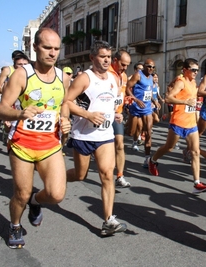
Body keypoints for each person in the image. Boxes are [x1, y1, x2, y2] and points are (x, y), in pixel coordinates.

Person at [0, 28, 71, 249]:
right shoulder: (22, 74)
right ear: (36, 47)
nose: (52, 53)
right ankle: (15, 224)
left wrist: (65, 120)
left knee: (56, 194)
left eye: (56, 48)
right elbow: (1, 110)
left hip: (50, 144)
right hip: (22, 143)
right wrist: (20, 113)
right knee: (21, 193)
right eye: (47, 47)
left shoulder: (63, 78)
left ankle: (36, 202)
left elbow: (63, 105)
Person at [65, 40, 127, 236]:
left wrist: (116, 114)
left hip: (105, 135)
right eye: (102, 56)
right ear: (93, 58)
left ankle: (108, 220)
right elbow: (66, 102)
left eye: (109, 56)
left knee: (107, 174)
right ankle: (57, 179)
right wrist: (88, 115)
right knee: (80, 175)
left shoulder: (114, 79)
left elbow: (111, 102)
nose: (107, 60)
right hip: (83, 135)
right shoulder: (85, 78)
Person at [148, 58, 206, 194]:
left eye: (197, 70)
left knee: (195, 152)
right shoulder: (181, 82)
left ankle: (197, 183)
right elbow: (168, 98)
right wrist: (185, 102)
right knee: (169, 148)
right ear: (185, 70)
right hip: (178, 122)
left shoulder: (193, 82)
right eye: (193, 70)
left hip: (191, 123)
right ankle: (152, 160)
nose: (195, 72)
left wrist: (195, 115)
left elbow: (193, 101)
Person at [108, 50, 131, 188]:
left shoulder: (124, 76)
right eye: (123, 64)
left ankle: (120, 176)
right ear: (115, 60)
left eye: (127, 65)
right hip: (104, 115)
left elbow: (122, 93)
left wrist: (128, 99)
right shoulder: (106, 73)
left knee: (120, 144)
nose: (125, 68)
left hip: (117, 114)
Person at [126, 58, 155, 167]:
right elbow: (127, 88)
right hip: (136, 108)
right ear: (144, 66)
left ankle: (147, 159)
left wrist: (154, 101)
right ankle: (124, 131)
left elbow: (149, 91)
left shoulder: (151, 77)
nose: (151, 69)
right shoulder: (138, 75)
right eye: (149, 66)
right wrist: (136, 100)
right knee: (131, 132)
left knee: (148, 132)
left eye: (153, 67)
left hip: (147, 108)